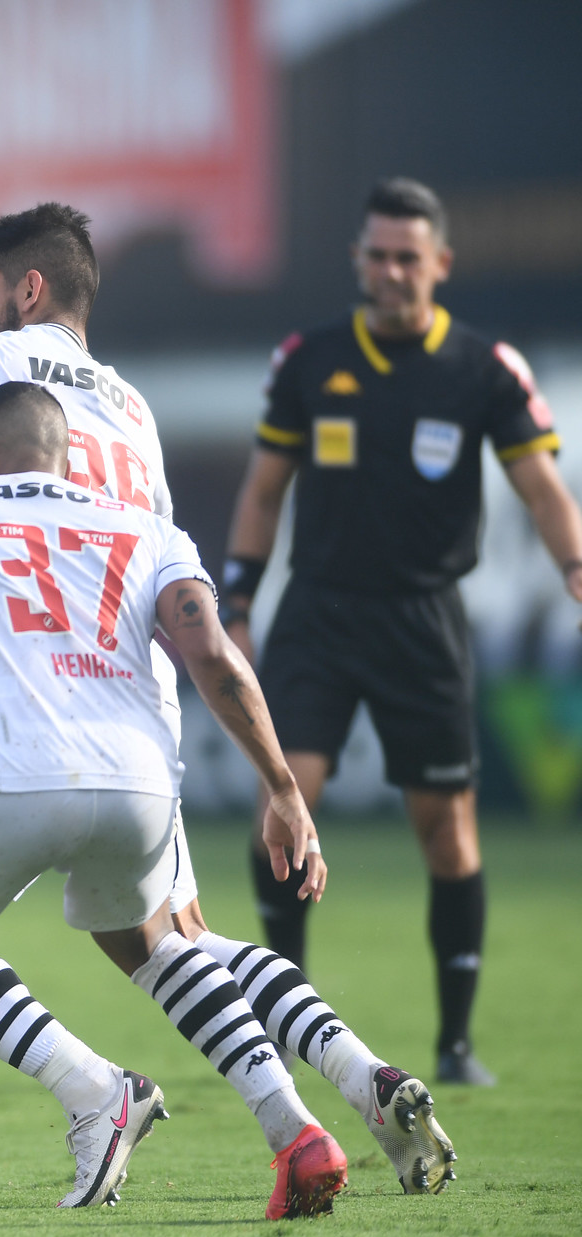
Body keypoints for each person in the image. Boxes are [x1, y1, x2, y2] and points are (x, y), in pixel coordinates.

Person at [0, 205, 454, 1219]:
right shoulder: (132, 410)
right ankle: (349, 1084)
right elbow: (187, 615)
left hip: (12, 701)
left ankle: (44, 1112)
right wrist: (276, 784)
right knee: (170, 939)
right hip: (131, 710)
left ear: (25, 290)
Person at [0, 381, 352, 1225]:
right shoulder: (145, 529)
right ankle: (296, 1131)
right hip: (139, 781)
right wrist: (283, 786)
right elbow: (212, 655)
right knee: (157, 943)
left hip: (3, 766)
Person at [225, 178, 581, 1087]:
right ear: (357, 260)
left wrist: (575, 568)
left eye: (407, 258)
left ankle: (456, 1043)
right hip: (319, 609)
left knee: (446, 831)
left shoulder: (484, 369)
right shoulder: (308, 359)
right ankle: (288, 1015)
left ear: (441, 265)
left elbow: (542, 488)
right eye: (376, 255)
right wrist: (238, 599)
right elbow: (265, 490)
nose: (390, 271)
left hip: (426, 617)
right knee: (286, 800)